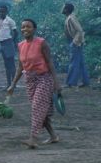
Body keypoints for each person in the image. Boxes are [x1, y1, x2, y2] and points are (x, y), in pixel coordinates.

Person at [7, 19, 61, 148]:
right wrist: (13, 84)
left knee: (37, 107)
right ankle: (53, 136)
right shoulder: (20, 45)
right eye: (23, 27)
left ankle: (33, 138)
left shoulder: (41, 43)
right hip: (30, 81)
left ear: (34, 29)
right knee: (42, 110)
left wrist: (56, 83)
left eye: (28, 27)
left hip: (44, 78)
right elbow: (20, 67)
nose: (25, 29)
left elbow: (50, 63)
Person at [62, 3, 90, 88]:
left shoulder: (71, 18)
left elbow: (80, 30)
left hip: (76, 43)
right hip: (77, 43)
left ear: (66, 9)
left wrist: (74, 42)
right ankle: (85, 82)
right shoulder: (70, 17)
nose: (62, 9)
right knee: (81, 63)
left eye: (63, 7)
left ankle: (70, 82)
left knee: (73, 63)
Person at [0, 5, 18, 89]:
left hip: (8, 42)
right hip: (1, 43)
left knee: (11, 64)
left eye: (3, 11)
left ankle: (14, 83)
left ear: (6, 12)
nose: (1, 13)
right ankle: (8, 84)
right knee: (6, 64)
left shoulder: (10, 21)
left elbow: (15, 32)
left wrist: (12, 41)